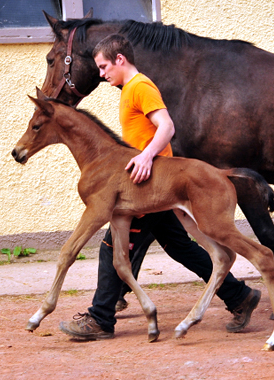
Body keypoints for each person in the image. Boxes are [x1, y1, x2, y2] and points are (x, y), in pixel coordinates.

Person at [59, 34, 261, 340]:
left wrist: (145, 157)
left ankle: (101, 317)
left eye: (103, 66)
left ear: (120, 60)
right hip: (149, 183)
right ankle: (239, 296)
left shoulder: (140, 86)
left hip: (147, 184)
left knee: (112, 248)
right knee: (180, 247)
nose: (101, 74)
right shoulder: (129, 89)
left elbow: (167, 126)